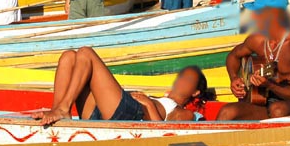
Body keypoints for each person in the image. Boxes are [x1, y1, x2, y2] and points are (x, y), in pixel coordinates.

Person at [32, 47, 209, 125]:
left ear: (195, 92)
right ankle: (59, 113)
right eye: (182, 76)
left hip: (130, 115)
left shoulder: (184, 112)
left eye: (188, 80)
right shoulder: (164, 98)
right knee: (69, 57)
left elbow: (162, 134)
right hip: (111, 111)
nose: (181, 79)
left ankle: (63, 109)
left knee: (86, 53)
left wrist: (148, 104)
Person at [216, 0, 290, 120]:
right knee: (227, 112)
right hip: (264, 103)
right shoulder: (257, 40)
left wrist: (270, 85)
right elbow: (233, 56)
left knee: (278, 110)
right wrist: (234, 78)